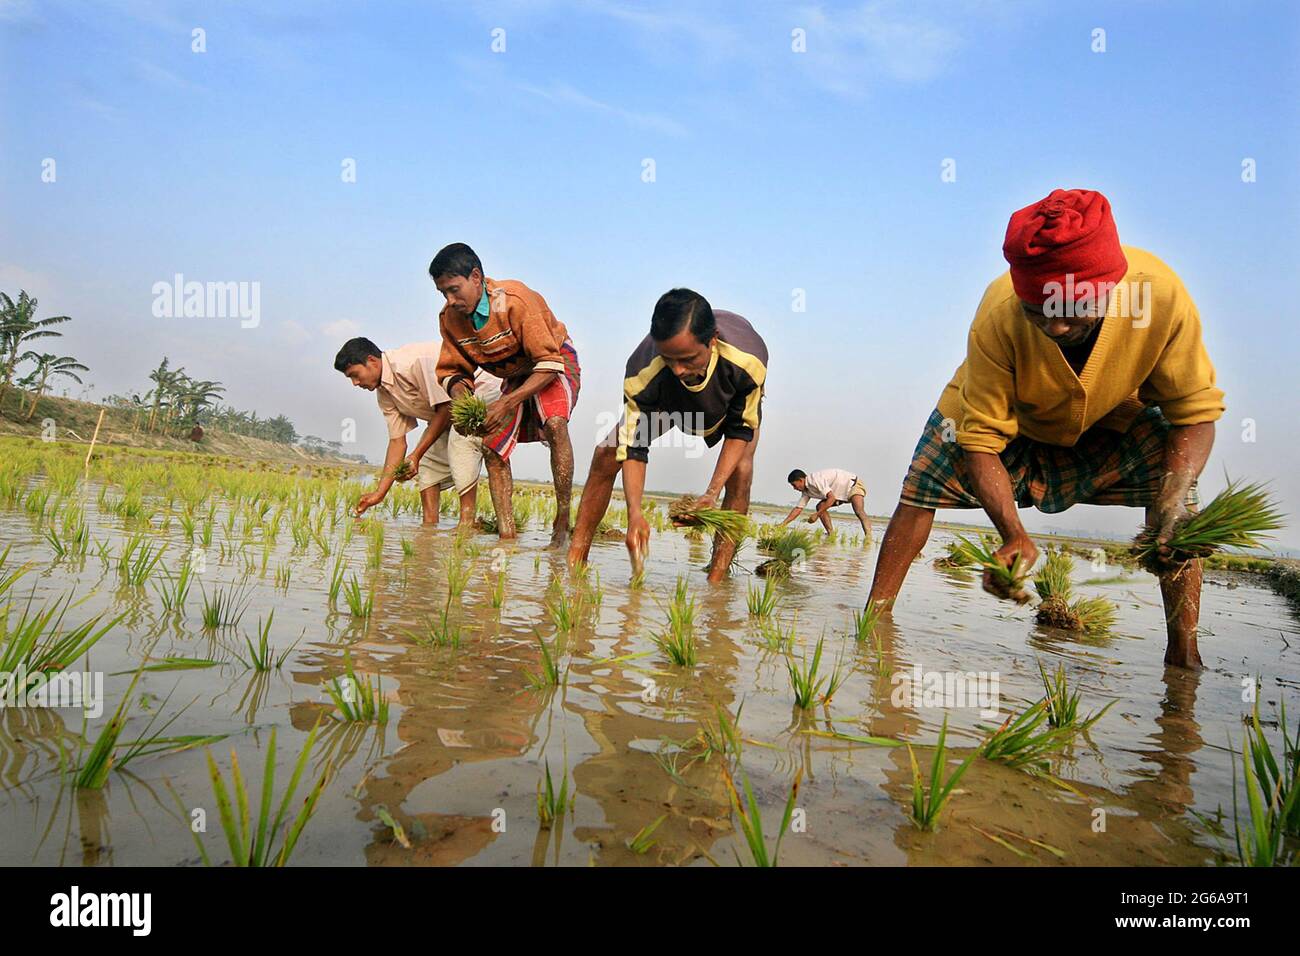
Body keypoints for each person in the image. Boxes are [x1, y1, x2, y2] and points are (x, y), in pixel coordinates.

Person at [866, 188, 1225, 669]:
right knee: (920, 488)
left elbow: (1194, 411)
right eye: (1039, 314)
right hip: (1009, 416)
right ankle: (875, 620)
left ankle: (1184, 654)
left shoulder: (1159, 297)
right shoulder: (998, 314)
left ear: (1109, 287)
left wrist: (1172, 497)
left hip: (1112, 416)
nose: (1055, 329)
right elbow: (980, 441)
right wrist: (1012, 534)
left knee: (1179, 502)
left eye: (1070, 315)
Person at [568, 288, 768, 584]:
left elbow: (740, 430)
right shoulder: (642, 372)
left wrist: (711, 495)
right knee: (607, 451)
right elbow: (634, 446)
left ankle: (716, 577)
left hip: (725, 406)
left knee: (741, 470)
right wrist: (634, 513)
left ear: (712, 341)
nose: (677, 370)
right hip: (670, 405)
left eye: (688, 359)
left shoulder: (747, 362)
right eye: (668, 359)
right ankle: (576, 557)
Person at [429, 243, 580, 547]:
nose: (450, 299)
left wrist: (507, 401)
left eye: (455, 289)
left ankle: (563, 519)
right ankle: (506, 536)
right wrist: (461, 400)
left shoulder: (515, 300)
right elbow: (452, 372)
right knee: (492, 446)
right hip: (513, 372)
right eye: (443, 292)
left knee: (554, 424)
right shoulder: (451, 319)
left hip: (552, 361)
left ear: (476, 277)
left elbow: (548, 363)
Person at [335, 337, 497, 529]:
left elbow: (447, 407)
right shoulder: (385, 393)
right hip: (447, 413)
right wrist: (379, 493)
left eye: (355, 375)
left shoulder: (413, 362)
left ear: (372, 360)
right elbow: (397, 442)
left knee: (459, 440)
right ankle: (428, 529)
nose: (355, 383)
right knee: (428, 466)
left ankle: (466, 524)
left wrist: (416, 454)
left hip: (479, 392)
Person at [778, 468, 871, 538]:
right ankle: (831, 534)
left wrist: (816, 515)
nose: (794, 488)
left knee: (859, 511)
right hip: (838, 492)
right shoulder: (806, 491)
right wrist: (782, 525)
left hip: (852, 485)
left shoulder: (814, 480)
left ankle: (868, 537)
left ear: (801, 480)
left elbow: (831, 498)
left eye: (794, 485)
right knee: (821, 506)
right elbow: (798, 508)